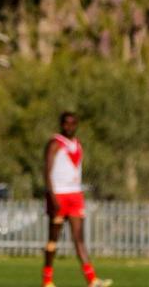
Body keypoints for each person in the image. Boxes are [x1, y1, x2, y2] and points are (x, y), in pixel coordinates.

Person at [42, 112, 111, 287]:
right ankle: (47, 281)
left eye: (73, 123)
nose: (69, 127)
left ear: (76, 125)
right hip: (58, 195)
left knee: (79, 238)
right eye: (66, 123)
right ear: (61, 124)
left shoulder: (77, 144)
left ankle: (92, 280)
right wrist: (52, 196)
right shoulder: (54, 143)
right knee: (53, 239)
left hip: (75, 195)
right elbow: (47, 172)